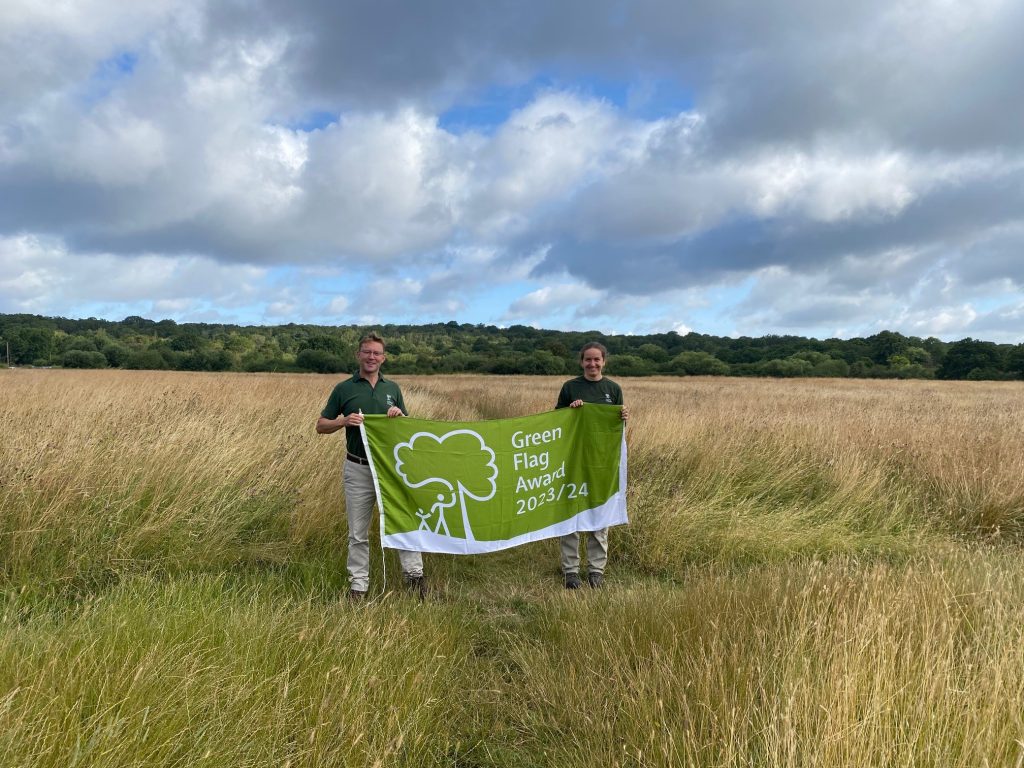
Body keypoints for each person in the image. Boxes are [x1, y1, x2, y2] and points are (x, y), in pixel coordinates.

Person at [316, 333, 425, 600]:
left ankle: (415, 579)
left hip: (390, 469)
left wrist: (398, 417)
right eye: (367, 352)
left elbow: (406, 431)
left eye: (376, 353)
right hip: (358, 468)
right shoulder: (344, 388)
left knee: (403, 522)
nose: (371, 357)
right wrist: (343, 421)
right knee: (358, 531)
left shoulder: (393, 389)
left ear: (383, 358)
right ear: (358, 355)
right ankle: (358, 587)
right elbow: (320, 425)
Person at [555, 341, 629, 589]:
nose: (592, 363)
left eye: (597, 359)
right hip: (574, 460)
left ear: (604, 362)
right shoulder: (570, 387)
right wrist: (570, 411)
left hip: (602, 464)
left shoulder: (613, 389)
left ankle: (596, 570)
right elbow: (556, 423)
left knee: (600, 514)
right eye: (588, 359)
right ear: (581, 361)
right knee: (572, 514)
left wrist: (622, 419)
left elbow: (616, 429)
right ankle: (571, 571)